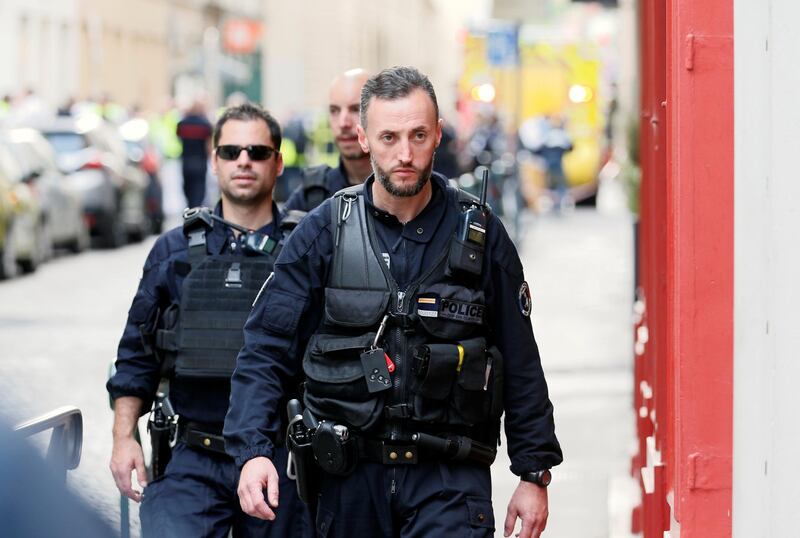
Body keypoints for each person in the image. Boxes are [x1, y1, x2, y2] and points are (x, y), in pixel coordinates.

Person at [224, 67, 562, 538]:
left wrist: (533, 472)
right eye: (388, 137)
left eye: (418, 135)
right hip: (348, 484)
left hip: (450, 482)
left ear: (438, 134)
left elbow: (521, 359)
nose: (404, 154)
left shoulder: (482, 236)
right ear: (363, 138)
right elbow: (266, 348)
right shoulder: (324, 231)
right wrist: (253, 451)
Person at [107, 103, 311, 537]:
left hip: (283, 458)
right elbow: (135, 356)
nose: (243, 161)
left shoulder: (308, 249)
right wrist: (124, 437)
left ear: (278, 163)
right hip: (195, 455)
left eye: (257, 152)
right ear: (214, 162)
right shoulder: (173, 251)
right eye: (231, 151)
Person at [283, 68, 373, 213]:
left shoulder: (406, 191)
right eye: (334, 110)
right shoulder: (313, 194)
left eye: (356, 109)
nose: (343, 123)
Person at [177, 99, 213, 208]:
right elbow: (209, 144)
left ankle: (190, 207)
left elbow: (179, 138)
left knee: (187, 186)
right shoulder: (205, 125)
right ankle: (196, 208)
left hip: (186, 161)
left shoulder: (182, 124)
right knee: (199, 188)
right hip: (200, 161)